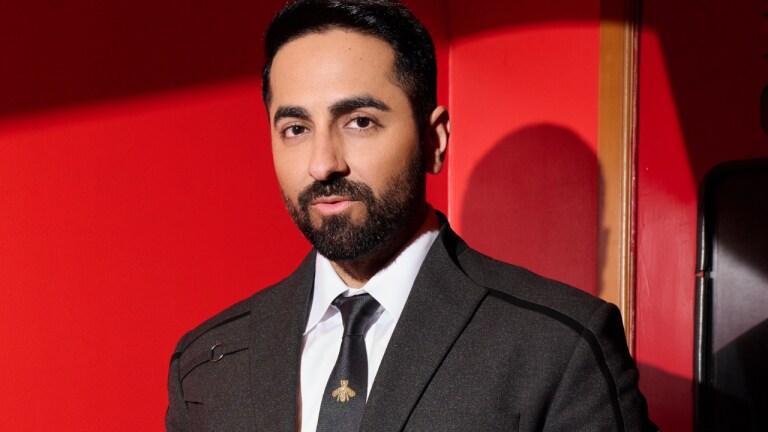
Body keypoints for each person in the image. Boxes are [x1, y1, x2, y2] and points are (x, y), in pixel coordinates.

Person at [166, 0, 656, 431]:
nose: (322, 164)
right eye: (296, 128)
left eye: (359, 122)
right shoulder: (207, 363)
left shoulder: (560, 347)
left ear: (433, 141)